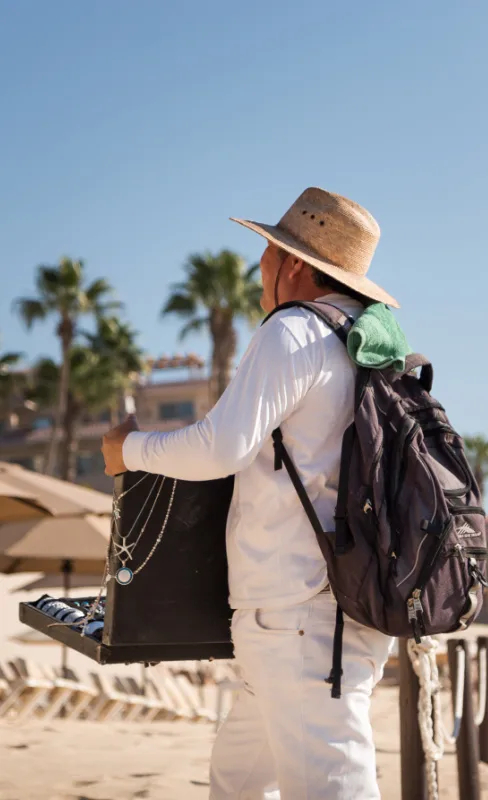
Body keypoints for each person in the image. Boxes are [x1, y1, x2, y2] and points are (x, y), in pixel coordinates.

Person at [101, 187, 399, 799]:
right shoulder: (365, 347)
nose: (259, 266)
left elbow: (220, 447)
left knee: (330, 787)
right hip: (330, 611)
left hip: (300, 620)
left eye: (267, 251)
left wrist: (127, 451)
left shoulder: (293, 331)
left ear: (292, 263)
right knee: (237, 783)